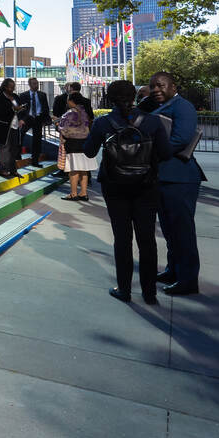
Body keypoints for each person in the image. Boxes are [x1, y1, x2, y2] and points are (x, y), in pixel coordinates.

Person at [83, 79, 172, 304]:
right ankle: (149, 293)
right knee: (147, 239)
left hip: (114, 186)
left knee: (122, 239)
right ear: (135, 97)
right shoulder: (152, 121)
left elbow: (89, 152)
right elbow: (165, 153)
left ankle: (124, 290)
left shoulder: (103, 123)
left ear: (110, 99)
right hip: (146, 185)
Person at [150, 71, 207, 296]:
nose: (156, 89)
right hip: (165, 177)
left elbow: (181, 139)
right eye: (153, 86)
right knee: (170, 229)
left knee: (182, 231)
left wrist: (150, 153)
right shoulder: (162, 106)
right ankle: (173, 270)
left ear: (173, 86)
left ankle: (188, 280)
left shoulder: (182, 106)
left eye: (160, 85)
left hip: (180, 178)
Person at [57, 82, 96, 201]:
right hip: (85, 143)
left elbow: (64, 130)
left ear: (71, 101)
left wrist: (57, 124)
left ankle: (73, 193)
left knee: (73, 170)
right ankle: (83, 193)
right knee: (84, 170)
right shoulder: (85, 112)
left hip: (73, 144)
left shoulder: (69, 113)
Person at [0, 78, 25, 177]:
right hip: (4, 126)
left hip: (15, 126)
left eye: (13, 87)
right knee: (4, 148)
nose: (12, 89)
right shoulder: (0, 97)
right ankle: (2, 169)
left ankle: (13, 170)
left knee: (14, 148)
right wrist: (13, 109)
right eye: (10, 87)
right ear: (5, 87)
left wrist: (21, 116)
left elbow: (21, 109)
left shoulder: (15, 96)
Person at [17, 76, 51, 166]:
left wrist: (44, 120)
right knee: (20, 135)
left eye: (37, 83)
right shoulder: (23, 95)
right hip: (27, 118)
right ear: (29, 85)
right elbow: (20, 109)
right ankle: (17, 154)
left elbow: (46, 108)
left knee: (37, 140)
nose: (36, 85)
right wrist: (20, 119)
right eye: (34, 84)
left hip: (38, 119)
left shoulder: (42, 95)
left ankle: (35, 161)